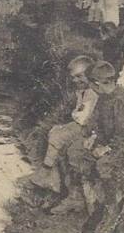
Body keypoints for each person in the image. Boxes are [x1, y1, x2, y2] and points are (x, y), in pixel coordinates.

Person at [55, 61, 124, 216]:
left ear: (96, 84)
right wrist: (93, 136)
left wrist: (106, 149)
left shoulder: (123, 101)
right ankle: (83, 200)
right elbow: (95, 122)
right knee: (74, 151)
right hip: (112, 142)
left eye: (91, 85)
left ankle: (111, 211)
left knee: (104, 164)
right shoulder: (104, 96)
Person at [25, 55, 98, 194]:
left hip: (87, 128)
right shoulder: (82, 91)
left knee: (58, 136)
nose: (76, 80)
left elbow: (83, 117)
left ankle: (47, 172)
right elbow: (79, 113)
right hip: (81, 124)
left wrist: (73, 118)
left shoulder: (93, 93)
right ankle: (51, 176)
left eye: (79, 76)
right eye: (74, 77)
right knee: (53, 131)